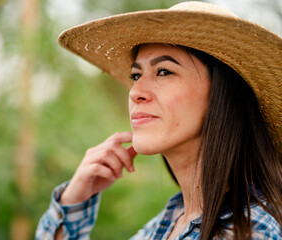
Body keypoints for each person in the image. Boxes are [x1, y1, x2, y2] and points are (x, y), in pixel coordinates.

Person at [36, 1, 282, 239]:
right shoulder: (171, 220)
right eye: (136, 75)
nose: (135, 93)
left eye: (164, 71)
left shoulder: (247, 231)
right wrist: (72, 201)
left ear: (222, 95)